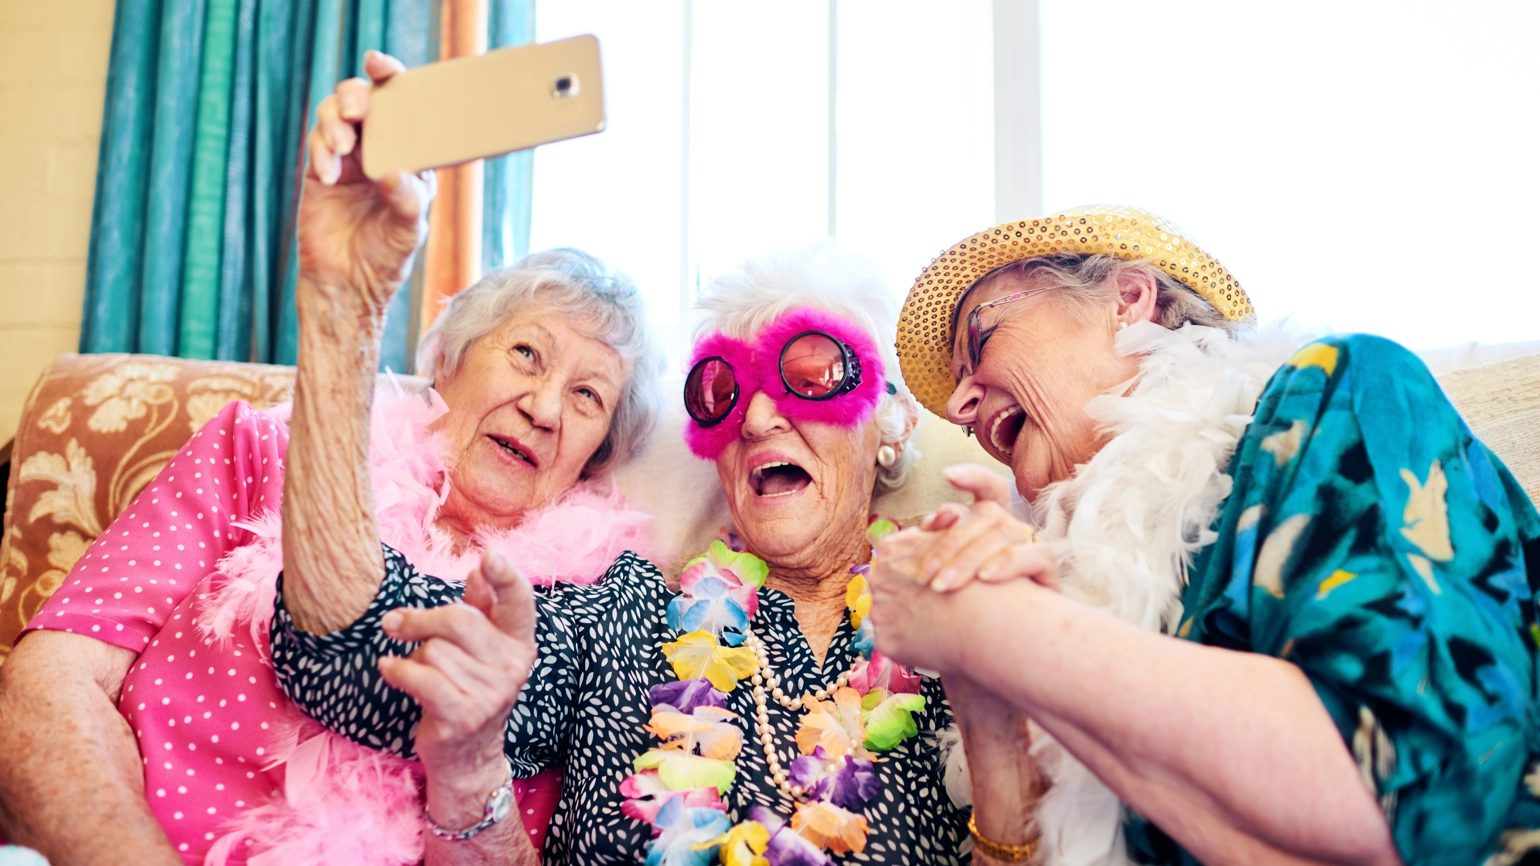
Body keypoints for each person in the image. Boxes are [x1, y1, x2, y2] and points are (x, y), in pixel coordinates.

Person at [0, 51, 661, 866]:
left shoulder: (589, 611)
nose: (546, 407)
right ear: (450, 360)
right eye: (527, 354)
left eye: (588, 396)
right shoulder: (254, 450)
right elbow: (50, 685)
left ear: (598, 454)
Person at [267, 239, 1051, 864]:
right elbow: (344, 647)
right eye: (723, 393)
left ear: (891, 421)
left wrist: (991, 727)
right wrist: (341, 311)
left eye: (810, 372)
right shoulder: (627, 614)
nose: (756, 420)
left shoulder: (963, 617)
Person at [868, 205, 1540, 865]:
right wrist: (988, 709)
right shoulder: (1047, 584)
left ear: (1128, 299)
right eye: (958, 389)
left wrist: (1012, 634)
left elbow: (1414, 799)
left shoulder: (1339, 397)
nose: (959, 406)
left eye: (982, 338)